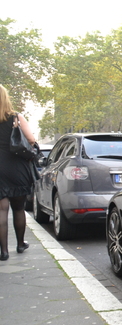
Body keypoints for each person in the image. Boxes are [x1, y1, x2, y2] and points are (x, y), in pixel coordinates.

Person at [0, 84, 38, 261]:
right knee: (18, 208)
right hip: (16, 168)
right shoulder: (16, 117)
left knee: (1, 210)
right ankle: (21, 244)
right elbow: (30, 139)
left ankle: (4, 251)